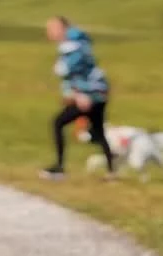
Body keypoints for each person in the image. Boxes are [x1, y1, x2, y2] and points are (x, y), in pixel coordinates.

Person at [40, 16, 115, 179]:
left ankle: (59, 168)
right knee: (98, 132)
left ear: (62, 28)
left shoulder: (72, 47)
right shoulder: (77, 42)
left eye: (52, 29)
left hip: (89, 94)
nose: (49, 33)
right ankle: (112, 171)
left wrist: (80, 95)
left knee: (58, 123)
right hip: (98, 92)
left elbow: (74, 72)